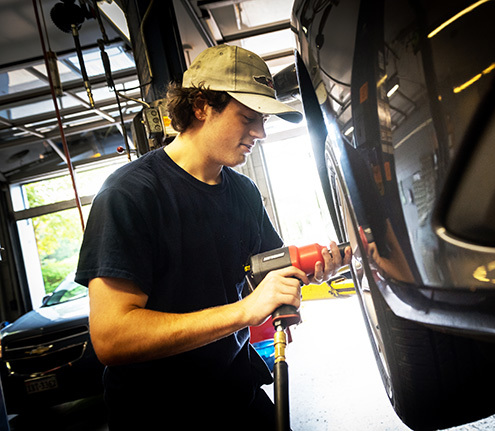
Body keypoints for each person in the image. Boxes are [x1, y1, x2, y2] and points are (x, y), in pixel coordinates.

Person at [75, 44, 351, 430]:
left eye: (263, 119)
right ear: (202, 105)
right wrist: (244, 312)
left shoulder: (243, 192)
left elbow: (265, 269)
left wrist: (322, 262)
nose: (261, 132)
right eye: (248, 118)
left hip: (236, 393)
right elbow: (111, 338)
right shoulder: (129, 195)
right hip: (159, 414)